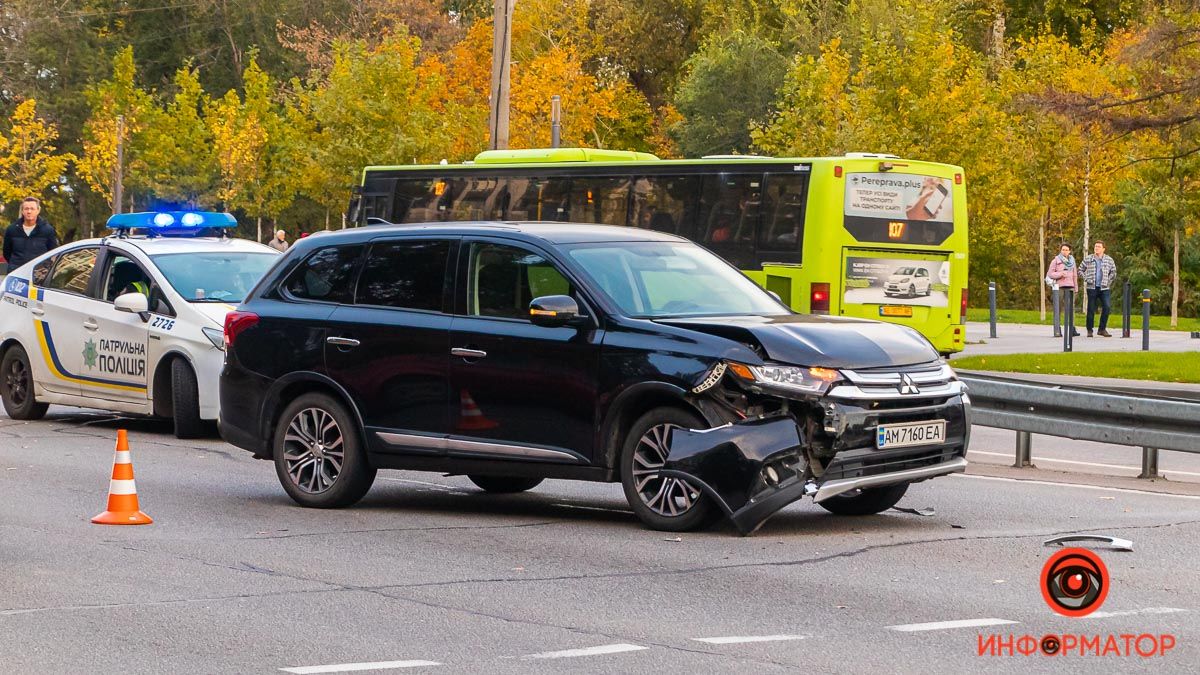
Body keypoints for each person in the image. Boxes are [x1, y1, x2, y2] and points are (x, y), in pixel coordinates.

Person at [3, 197, 59, 273]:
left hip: (39, 274)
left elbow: (53, 252)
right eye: (26, 209)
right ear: (22, 211)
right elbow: (6, 252)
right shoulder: (12, 229)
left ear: (38, 210)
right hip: (16, 273)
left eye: (32, 209)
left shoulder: (47, 230)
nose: (29, 211)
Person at [1081, 240, 1117, 337]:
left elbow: (1113, 272)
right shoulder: (1088, 259)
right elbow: (1080, 270)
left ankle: (1102, 329)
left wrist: (1107, 281)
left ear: (1103, 249)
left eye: (1099, 246)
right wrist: (1086, 278)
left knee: (1107, 306)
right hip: (1091, 287)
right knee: (1091, 308)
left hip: (1104, 288)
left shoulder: (1109, 260)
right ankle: (1089, 330)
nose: (1096, 248)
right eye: (1095, 246)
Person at [1045, 243, 1079, 337]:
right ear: (1060, 250)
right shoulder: (1055, 260)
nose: (1065, 251)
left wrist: (1076, 287)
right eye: (1063, 249)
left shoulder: (1072, 261)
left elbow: (1075, 275)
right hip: (1059, 287)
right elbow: (1050, 274)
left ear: (1070, 251)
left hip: (1070, 286)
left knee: (1070, 309)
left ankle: (1072, 329)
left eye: (1066, 250)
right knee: (1058, 308)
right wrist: (1060, 274)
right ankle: (1057, 329)